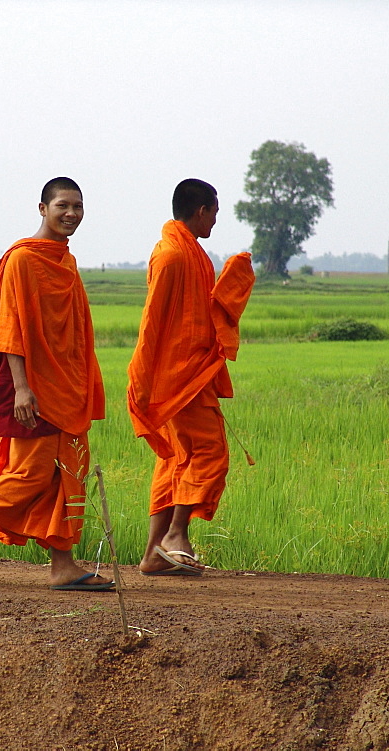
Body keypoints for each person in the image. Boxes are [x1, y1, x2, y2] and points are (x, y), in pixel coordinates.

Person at [0, 177, 113, 591]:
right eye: (62, 206)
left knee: (68, 473)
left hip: (66, 387)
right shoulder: (22, 260)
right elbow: (10, 326)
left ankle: (63, 564)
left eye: (78, 207)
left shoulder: (65, 261)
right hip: (32, 389)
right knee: (32, 474)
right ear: (42, 209)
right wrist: (21, 388)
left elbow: (71, 334)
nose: (71, 214)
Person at [127, 178, 255, 576]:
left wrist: (230, 290)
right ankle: (176, 534)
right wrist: (142, 379)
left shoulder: (193, 253)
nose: (216, 221)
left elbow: (198, 312)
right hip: (175, 378)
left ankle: (152, 554)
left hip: (190, 373)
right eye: (215, 213)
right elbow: (152, 324)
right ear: (201, 211)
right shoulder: (172, 256)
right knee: (209, 453)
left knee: (176, 461)